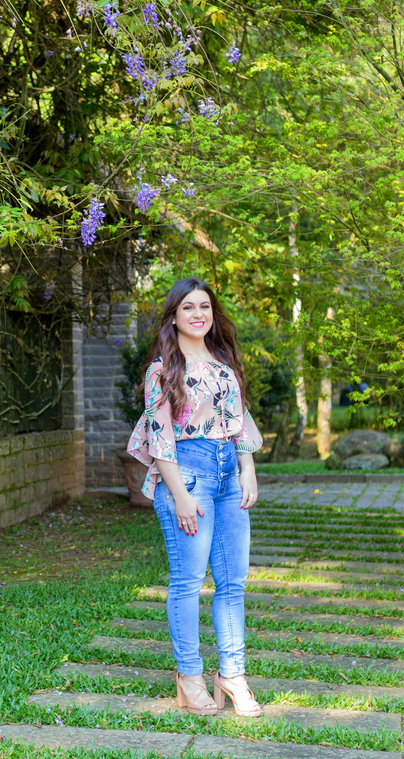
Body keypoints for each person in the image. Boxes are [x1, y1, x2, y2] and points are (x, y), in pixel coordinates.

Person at [126, 277, 264, 717]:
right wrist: (179, 494)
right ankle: (189, 676)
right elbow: (159, 435)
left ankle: (233, 675)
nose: (198, 314)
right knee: (188, 581)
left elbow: (239, 419)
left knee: (233, 581)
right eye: (188, 307)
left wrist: (247, 470)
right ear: (173, 316)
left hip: (227, 474)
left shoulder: (224, 363)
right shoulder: (162, 370)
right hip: (188, 475)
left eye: (204, 306)